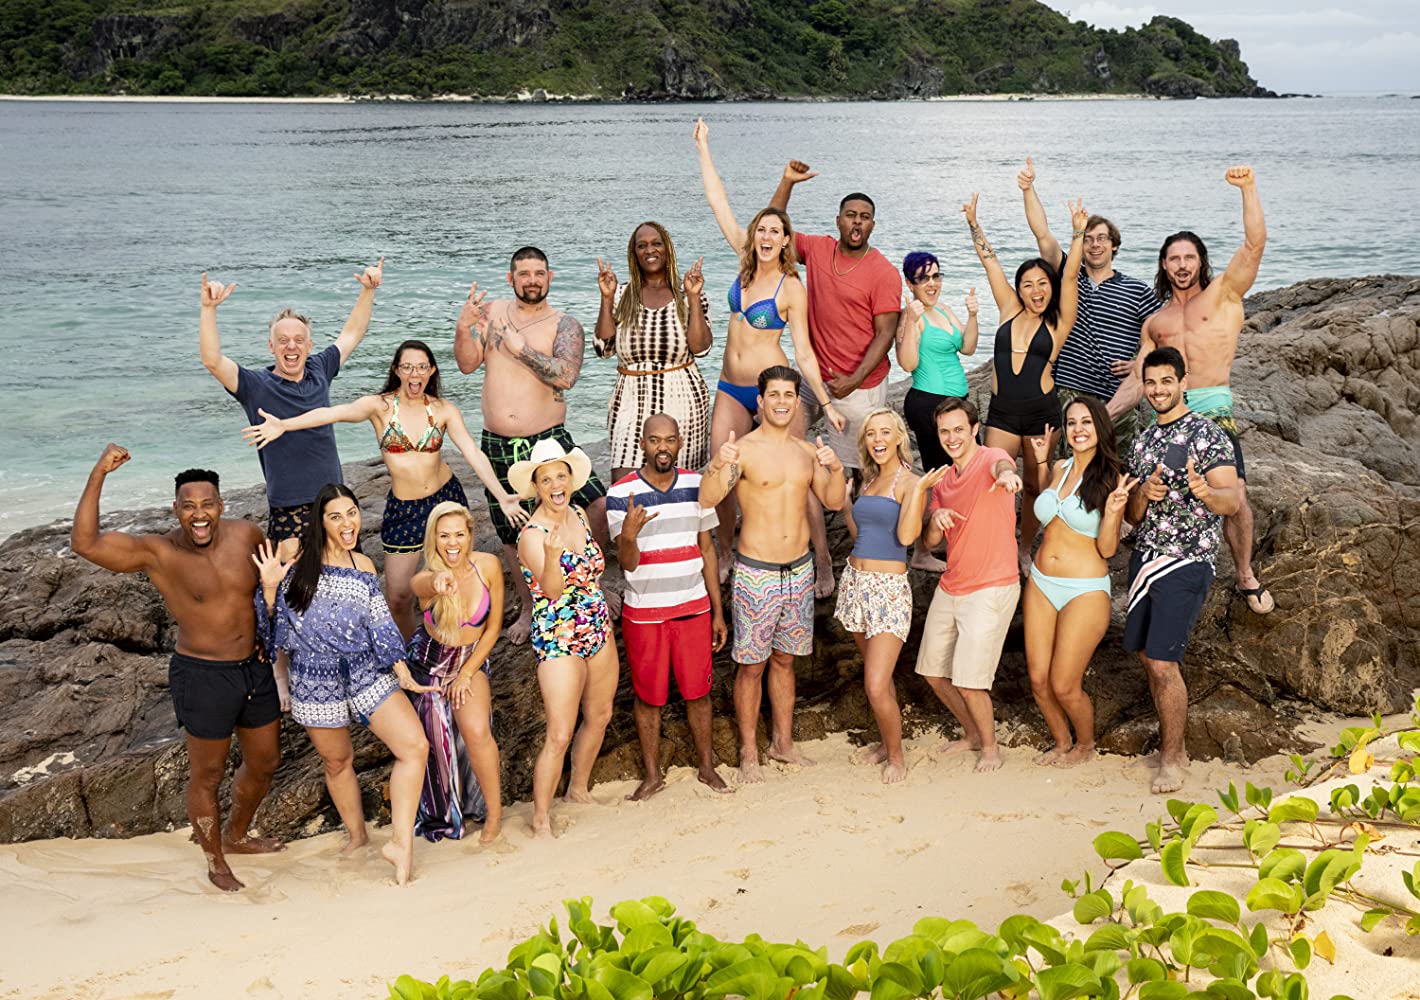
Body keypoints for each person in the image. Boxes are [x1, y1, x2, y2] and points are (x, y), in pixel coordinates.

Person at [70, 445, 283, 892]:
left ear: (221, 505)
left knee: (265, 762)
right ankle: (215, 860)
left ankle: (237, 835)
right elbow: (85, 544)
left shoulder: (247, 535)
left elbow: (276, 586)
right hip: (203, 675)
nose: (199, 515)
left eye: (207, 504)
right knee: (207, 774)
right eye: (189, 507)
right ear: (176, 510)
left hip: (255, 668)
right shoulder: (158, 553)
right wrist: (99, 473)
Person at [240, 340, 526, 638]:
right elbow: (333, 413)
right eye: (407, 367)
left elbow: (472, 452)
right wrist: (284, 425)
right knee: (398, 597)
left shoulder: (443, 410)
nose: (414, 374)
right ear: (396, 370)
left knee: (454, 582)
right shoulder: (379, 407)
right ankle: (414, 650)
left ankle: (460, 643)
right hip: (404, 508)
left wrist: (502, 496)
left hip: (444, 501)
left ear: (431, 371)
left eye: (421, 367)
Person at [254, 483, 434, 885]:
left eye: (351, 513)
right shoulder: (295, 559)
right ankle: (357, 837)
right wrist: (269, 588)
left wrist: (403, 672)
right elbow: (271, 631)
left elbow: (381, 623)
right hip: (313, 678)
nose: (347, 523)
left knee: (414, 747)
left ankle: (400, 844)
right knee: (337, 762)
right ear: (320, 522)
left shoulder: (363, 564)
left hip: (366, 669)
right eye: (335, 516)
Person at [693, 118, 845, 593]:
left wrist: (824, 401)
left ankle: (822, 560)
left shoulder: (791, 287)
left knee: (798, 474)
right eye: (761, 228)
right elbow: (718, 201)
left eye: (775, 231)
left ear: (785, 241)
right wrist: (703, 148)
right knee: (722, 467)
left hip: (773, 391)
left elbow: (803, 352)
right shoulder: (743, 263)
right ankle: (725, 552)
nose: (765, 235)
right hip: (729, 387)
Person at [453, 246, 614, 645]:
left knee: (596, 505)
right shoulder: (492, 312)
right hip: (498, 441)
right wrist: (463, 327)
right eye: (524, 274)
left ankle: (590, 583)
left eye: (539, 273)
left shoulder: (565, 324)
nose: (532, 281)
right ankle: (529, 605)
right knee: (512, 526)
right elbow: (467, 364)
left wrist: (521, 350)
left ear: (550, 277)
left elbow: (566, 376)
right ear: (511, 278)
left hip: (549, 439)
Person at [699, 366, 847, 783]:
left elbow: (834, 502)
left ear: (797, 402)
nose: (782, 402)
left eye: (788, 395)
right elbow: (708, 499)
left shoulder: (805, 451)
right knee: (752, 666)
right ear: (761, 402)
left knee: (784, 661)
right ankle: (749, 751)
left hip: (798, 571)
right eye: (774, 395)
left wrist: (836, 468)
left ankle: (783, 743)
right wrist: (717, 464)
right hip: (756, 573)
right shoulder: (743, 450)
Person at [1138, 166, 1272, 615]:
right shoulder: (1155, 322)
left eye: (1189, 258)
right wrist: (1101, 414)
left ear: (1201, 261)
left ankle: (1245, 574)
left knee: (1235, 497)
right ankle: (1165, 568)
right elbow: (1138, 379)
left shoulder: (1224, 295)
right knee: (1161, 495)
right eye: (1174, 259)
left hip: (1214, 411)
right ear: (1164, 265)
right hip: (1166, 416)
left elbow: (1254, 245)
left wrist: (1248, 189)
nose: (1182, 265)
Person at [770, 154, 903, 595]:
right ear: (839, 220)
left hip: (860, 388)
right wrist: (788, 183)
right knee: (796, 457)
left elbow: (885, 334)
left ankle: (870, 555)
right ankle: (822, 559)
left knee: (858, 478)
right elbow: (772, 230)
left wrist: (853, 378)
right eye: (850, 214)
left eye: (864, 216)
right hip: (813, 381)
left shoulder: (883, 272)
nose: (857, 222)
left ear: (872, 225)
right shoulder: (820, 249)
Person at [199, 260, 383, 551]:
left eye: (298, 340)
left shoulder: (319, 369)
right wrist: (209, 309)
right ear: (271, 347)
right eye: (282, 340)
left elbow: (352, 334)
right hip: (289, 507)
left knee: (349, 572)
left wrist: (368, 291)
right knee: (294, 580)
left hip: (334, 501)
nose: (291, 346)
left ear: (309, 346)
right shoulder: (254, 385)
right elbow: (212, 360)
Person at [1123, 347, 1241, 794]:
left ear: (1183, 382)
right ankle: (1174, 747)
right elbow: (1133, 516)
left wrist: (1204, 491)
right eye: (1151, 383)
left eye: (1166, 381)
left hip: (1188, 558)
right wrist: (1144, 494)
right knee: (1146, 657)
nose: (1158, 390)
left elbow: (1232, 501)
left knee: (1162, 661)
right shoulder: (1142, 441)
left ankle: (1173, 759)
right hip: (1145, 558)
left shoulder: (1208, 435)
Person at [607, 414, 731, 800]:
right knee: (648, 698)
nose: (663, 447)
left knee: (699, 693)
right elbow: (627, 564)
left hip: (693, 608)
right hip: (645, 614)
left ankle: (707, 768)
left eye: (670, 439)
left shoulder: (697, 485)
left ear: (680, 443)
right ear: (642, 444)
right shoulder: (621, 493)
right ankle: (652, 776)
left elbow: (707, 550)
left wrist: (717, 612)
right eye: (655, 440)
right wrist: (630, 535)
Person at [962, 193, 1086, 575]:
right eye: (1028, 284)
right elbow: (990, 261)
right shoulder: (1008, 308)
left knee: (1034, 486)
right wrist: (973, 223)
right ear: (1019, 289)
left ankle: (1025, 548)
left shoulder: (1059, 322)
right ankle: (995, 543)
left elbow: (1069, 276)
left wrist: (1078, 233)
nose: (1036, 290)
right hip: (1002, 414)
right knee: (991, 480)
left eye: (1042, 283)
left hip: (1040, 414)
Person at [900, 398, 1023, 774]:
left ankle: (990, 748)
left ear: (974, 429)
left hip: (992, 586)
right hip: (952, 584)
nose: (951, 437)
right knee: (933, 672)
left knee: (970, 682)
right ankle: (971, 734)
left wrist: (1007, 476)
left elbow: (1004, 466)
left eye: (958, 429)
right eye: (944, 431)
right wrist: (936, 515)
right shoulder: (942, 480)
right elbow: (930, 541)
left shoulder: (991, 458)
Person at [1017, 157, 1162, 456]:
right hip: (1070, 391)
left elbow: (1164, 333)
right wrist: (1029, 189)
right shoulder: (1068, 277)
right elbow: (1042, 234)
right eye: (1088, 239)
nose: (1095, 244)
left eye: (1102, 239)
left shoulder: (1137, 290)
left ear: (1114, 245)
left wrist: (1141, 362)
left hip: (1117, 395)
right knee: (1071, 467)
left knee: (1119, 469)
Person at [511, 440, 620, 838]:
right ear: (536, 487)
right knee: (559, 732)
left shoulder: (578, 513)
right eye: (546, 480)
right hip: (559, 633)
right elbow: (553, 591)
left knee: (600, 715)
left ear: (571, 480)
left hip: (596, 623)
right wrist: (553, 556)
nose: (556, 485)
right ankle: (541, 818)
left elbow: (593, 571)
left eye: (561, 476)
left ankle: (578, 789)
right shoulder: (531, 535)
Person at [1021, 396, 1134, 770]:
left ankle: (1085, 745)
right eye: (1071, 423)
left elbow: (1107, 549)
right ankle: (1062, 741)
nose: (1078, 429)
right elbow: (1046, 506)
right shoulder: (1059, 466)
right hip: (1041, 583)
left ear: (1100, 427)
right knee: (1038, 680)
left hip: (1084, 590)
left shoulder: (1112, 476)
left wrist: (1114, 513)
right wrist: (1041, 460)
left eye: (1086, 422)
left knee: (1064, 684)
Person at [835, 409, 947, 784]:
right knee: (877, 679)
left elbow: (906, 537)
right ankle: (887, 743)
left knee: (875, 683)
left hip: (888, 590)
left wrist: (918, 492)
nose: (877, 439)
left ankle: (896, 757)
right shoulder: (869, 479)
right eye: (871, 434)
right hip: (856, 583)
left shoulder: (910, 481)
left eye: (885, 432)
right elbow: (860, 534)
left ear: (899, 437)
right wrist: (847, 504)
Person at [406, 502, 505, 844]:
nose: (452, 543)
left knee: (476, 731)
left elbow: (493, 627)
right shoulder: (426, 577)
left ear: (470, 535)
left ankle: (494, 814)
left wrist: (467, 673)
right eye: (444, 535)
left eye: (459, 535)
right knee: (435, 744)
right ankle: (445, 814)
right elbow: (420, 585)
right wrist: (438, 581)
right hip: (430, 665)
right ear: (433, 538)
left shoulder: (488, 565)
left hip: (469, 661)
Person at [593, 222, 713, 480]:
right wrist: (606, 298)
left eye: (656, 243)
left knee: (680, 482)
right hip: (630, 396)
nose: (650, 250)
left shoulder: (687, 293)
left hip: (682, 395)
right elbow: (603, 349)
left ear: (667, 248)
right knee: (625, 480)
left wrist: (693, 297)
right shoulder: (621, 294)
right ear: (634, 253)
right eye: (642, 245)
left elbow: (701, 348)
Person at [896, 252, 980, 474]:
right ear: (910, 284)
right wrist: (912, 321)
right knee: (944, 475)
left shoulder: (944, 309)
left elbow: (968, 348)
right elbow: (907, 364)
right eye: (923, 278)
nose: (932, 283)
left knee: (971, 468)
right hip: (929, 404)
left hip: (957, 403)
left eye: (936, 276)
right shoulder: (910, 316)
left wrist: (972, 316)